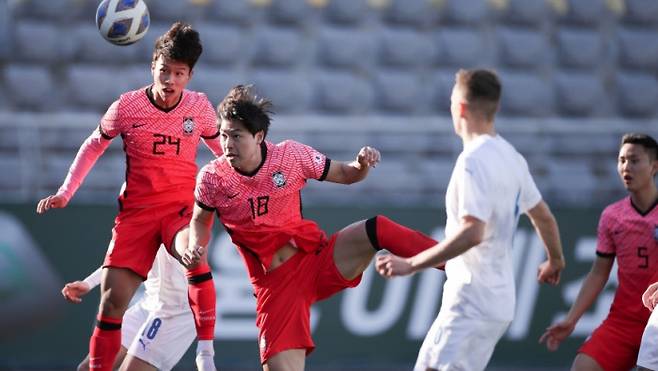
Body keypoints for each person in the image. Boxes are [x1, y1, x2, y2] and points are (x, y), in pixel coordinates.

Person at [181, 84, 441, 371]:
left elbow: (346, 174)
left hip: (314, 259)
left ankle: (456, 261)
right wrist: (195, 246)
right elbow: (200, 220)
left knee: (377, 228)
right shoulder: (212, 178)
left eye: (236, 136)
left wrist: (362, 163)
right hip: (276, 287)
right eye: (224, 135)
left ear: (259, 136)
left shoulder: (290, 156)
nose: (227, 144)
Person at [35, 22, 222, 371]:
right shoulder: (127, 107)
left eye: (179, 73)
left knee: (191, 253)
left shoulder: (199, 108)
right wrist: (66, 192)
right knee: (111, 301)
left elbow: (224, 154)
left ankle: (206, 355)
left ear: (190, 75)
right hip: (138, 218)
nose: (170, 80)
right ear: (153, 65)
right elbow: (94, 145)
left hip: (180, 212)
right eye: (164, 70)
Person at [375, 68, 566, 371]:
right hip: (498, 302)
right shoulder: (512, 157)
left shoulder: (473, 161)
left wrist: (410, 264)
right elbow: (543, 216)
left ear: (460, 108)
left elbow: (473, 232)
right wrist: (555, 260)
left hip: (471, 301)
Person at [540, 133, 658, 371]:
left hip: (656, 319)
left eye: (634, 160)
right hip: (623, 322)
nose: (626, 167)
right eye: (622, 160)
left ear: (654, 166)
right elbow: (598, 273)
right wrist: (571, 319)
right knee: (583, 367)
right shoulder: (612, 217)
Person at [63, 248, 197, 371]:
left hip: (178, 313)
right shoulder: (139, 225)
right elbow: (122, 258)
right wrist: (88, 283)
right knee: (87, 368)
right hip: (149, 303)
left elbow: (186, 239)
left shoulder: (185, 226)